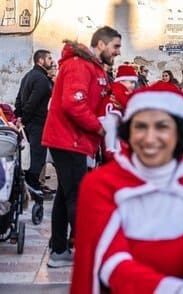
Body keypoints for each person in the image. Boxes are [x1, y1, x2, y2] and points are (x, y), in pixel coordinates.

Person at [71, 82, 183, 293]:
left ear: (180, 133)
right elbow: (109, 263)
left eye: (162, 127)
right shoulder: (100, 185)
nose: (149, 138)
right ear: (128, 131)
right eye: (140, 126)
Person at [42, 26, 121, 268]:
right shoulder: (79, 65)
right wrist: (99, 129)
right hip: (69, 140)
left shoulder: (91, 67)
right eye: (115, 46)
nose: (118, 52)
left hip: (72, 140)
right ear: (101, 45)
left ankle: (58, 250)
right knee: (78, 196)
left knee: (65, 196)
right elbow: (74, 104)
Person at [15, 49, 54, 193]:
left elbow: (19, 98)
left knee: (33, 156)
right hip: (37, 124)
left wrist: (19, 116)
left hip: (29, 123)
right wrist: (23, 118)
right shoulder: (41, 79)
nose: (52, 61)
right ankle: (33, 187)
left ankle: (33, 185)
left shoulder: (28, 76)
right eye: (49, 58)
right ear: (41, 61)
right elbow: (33, 102)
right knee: (37, 158)